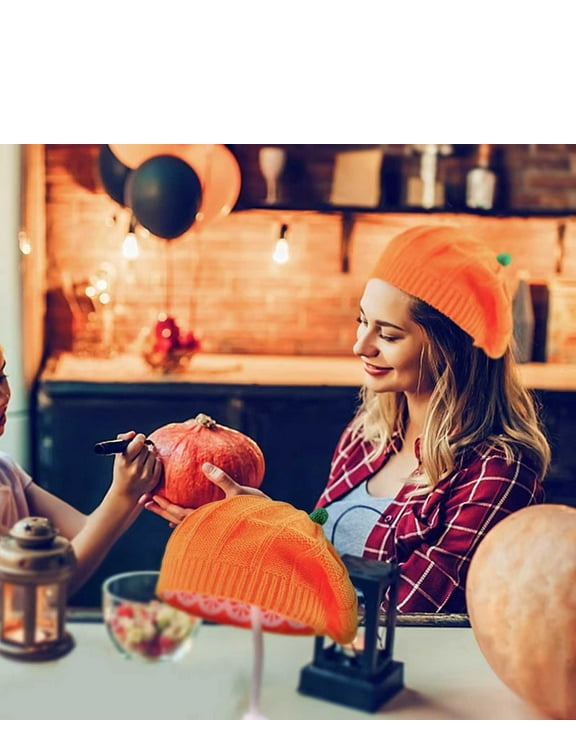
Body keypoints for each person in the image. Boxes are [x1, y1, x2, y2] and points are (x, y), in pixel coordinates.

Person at [143, 225, 551, 614]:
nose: (361, 345)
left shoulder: (497, 474)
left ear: (452, 349)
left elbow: (405, 618)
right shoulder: (368, 435)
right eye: (362, 321)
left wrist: (276, 537)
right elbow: (317, 553)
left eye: (388, 335)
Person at [0, 344, 162, 596]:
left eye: (1, 376)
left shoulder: (6, 470)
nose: (3, 397)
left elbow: (84, 530)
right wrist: (124, 494)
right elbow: (45, 592)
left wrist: (139, 484)